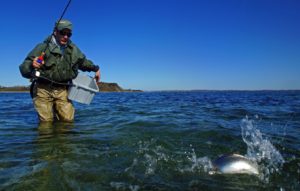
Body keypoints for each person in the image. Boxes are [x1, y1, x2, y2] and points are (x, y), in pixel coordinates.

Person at [19, 19, 100, 122]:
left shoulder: (73, 49)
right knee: (46, 123)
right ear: (55, 32)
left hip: (63, 90)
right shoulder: (42, 47)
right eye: (63, 33)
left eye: (68, 34)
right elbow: (23, 68)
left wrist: (96, 69)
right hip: (43, 89)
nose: (65, 37)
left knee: (68, 120)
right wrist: (32, 64)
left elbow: (83, 62)